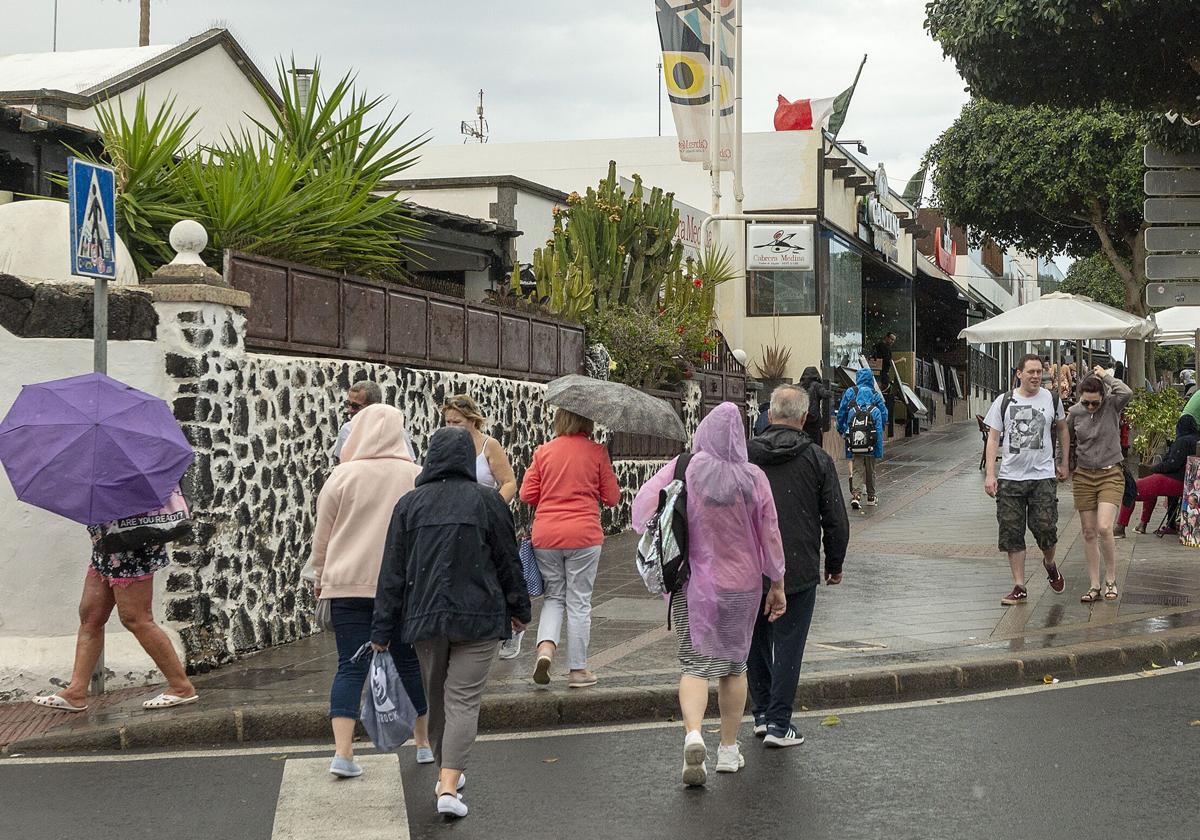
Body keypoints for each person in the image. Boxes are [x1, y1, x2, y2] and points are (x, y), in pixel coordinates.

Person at [372, 427, 531, 819]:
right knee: (463, 698)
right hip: (479, 616)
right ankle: (448, 781)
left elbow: (392, 572)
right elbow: (508, 561)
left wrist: (381, 631)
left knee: (437, 694)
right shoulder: (488, 502)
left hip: (424, 618)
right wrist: (519, 609)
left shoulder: (409, 506)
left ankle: (448, 772)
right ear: (464, 459)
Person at [633, 402, 786, 786]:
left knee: (694, 665)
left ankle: (694, 734)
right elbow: (770, 535)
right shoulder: (755, 478)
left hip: (696, 586)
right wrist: (778, 583)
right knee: (735, 666)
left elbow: (643, 509)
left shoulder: (685, 467)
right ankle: (729, 750)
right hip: (744, 588)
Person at [310, 404, 431, 777]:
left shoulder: (342, 476)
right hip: (401, 588)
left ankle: (343, 754)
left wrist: (318, 576)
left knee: (350, 667)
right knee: (409, 661)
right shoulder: (416, 475)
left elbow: (323, 535)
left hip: (346, 584)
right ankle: (423, 744)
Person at [746, 385, 848, 747]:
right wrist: (834, 563)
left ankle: (760, 714)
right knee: (789, 643)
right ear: (804, 419)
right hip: (798, 567)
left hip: (749, 565)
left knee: (754, 641)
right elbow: (835, 516)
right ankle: (778, 723)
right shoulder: (817, 459)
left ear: (769, 415)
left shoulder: (745, 456)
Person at [32, 534, 198, 713]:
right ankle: (76, 692)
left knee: (137, 619)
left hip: (131, 543)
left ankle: (181, 687)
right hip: (105, 545)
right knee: (91, 618)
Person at [520, 408, 620, 688]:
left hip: (547, 535)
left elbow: (526, 494)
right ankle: (577, 671)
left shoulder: (544, 451)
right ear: (587, 420)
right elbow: (612, 498)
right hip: (584, 536)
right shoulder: (597, 452)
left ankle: (545, 651)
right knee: (579, 601)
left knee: (554, 597)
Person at [983, 354, 1069, 606]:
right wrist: (990, 473)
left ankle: (1050, 563)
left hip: (1042, 476)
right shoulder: (1004, 401)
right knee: (1011, 532)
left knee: (1046, 527)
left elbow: (1063, 428)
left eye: (1039, 372)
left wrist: (1063, 462)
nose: (1035, 376)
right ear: (1019, 373)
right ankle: (1019, 585)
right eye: (1030, 371)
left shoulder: (1052, 399)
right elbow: (993, 438)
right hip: (1010, 477)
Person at [441, 395, 521, 657]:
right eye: (448, 421)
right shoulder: (443, 444)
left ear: (472, 420)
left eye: (458, 422)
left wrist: (493, 508)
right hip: (453, 521)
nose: (452, 426)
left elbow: (508, 482)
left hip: (484, 521)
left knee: (495, 573)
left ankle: (511, 624)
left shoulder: (489, 445)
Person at [1067, 369, 1132, 604]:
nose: (1091, 407)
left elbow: (1127, 391)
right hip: (1084, 475)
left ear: (1103, 397)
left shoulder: (1112, 406)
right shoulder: (1074, 413)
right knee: (1088, 531)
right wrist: (1061, 464)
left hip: (1110, 473)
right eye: (1086, 403)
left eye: (1095, 403)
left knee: (1105, 527)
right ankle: (1094, 584)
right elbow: (1064, 440)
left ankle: (1111, 579)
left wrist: (1105, 376)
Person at [1115, 415, 1200, 538]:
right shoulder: (1195, 440)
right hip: (1189, 485)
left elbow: (1172, 464)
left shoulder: (1183, 441)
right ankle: (1142, 524)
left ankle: (1120, 527)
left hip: (1174, 480)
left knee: (1132, 489)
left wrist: (1154, 468)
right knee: (1150, 487)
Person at [836, 367, 888, 509]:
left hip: (854, 437)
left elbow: (841, 412)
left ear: (857, 378)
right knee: (871, 467)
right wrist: (880, 430)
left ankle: (856, 495)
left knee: (857, 465)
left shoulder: (850, 392)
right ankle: (871, 496)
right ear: (871, 379)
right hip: (872, 437)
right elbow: (884, 413)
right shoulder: (875, 394)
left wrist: (841, 429)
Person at [797, 365, 833, 446]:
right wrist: (829, 393)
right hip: (814, 419)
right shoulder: (817, 385)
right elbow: (824, 393)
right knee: (815, 443)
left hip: (800, 419)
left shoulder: (798, 386)